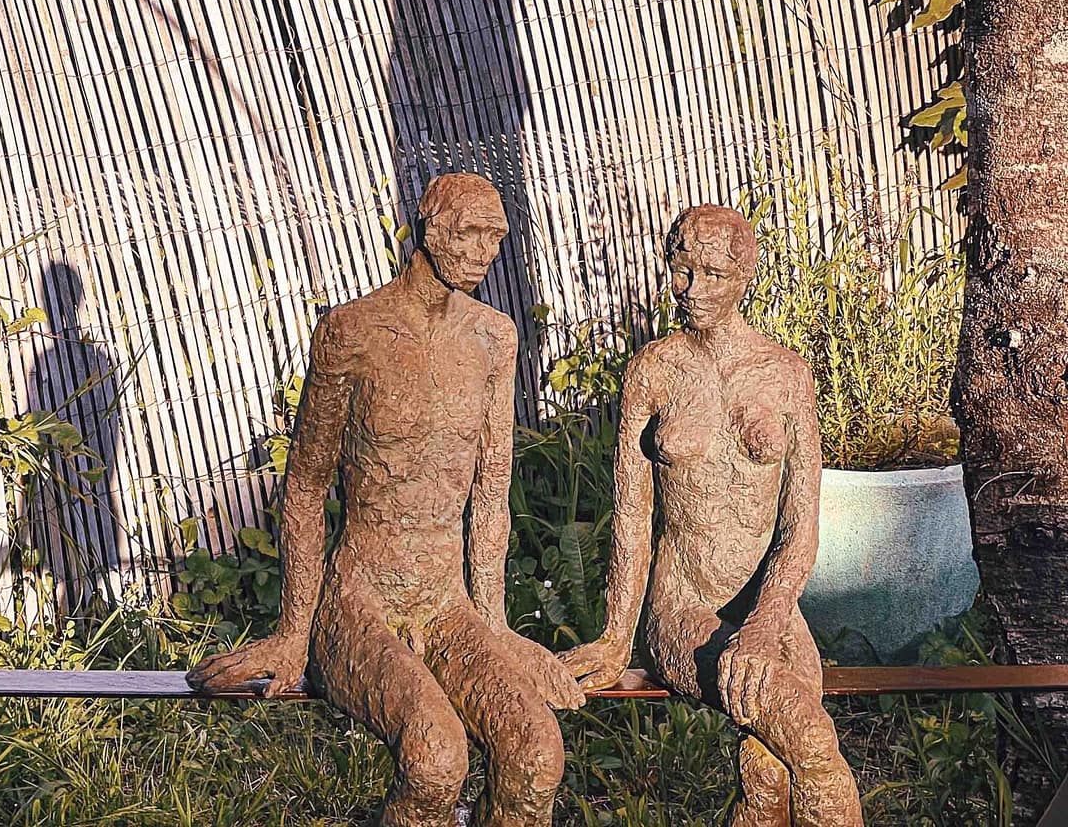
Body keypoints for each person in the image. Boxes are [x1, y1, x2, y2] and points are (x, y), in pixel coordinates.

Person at [189, 172, 581, 827]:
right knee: (436, 758)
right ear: (429, 225)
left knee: (536, 755)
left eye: (495, 238)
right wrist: (293, 633)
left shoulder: (493, 338)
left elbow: (491, 492)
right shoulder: (353, 331)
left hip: (446, 602)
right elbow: (305, 487)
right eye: (470, 233)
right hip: (361, 599)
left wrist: (496, 626)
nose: (484, 252)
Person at [559, 205, 862, 826]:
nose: (693, 290)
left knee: (768, 768)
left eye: (714, 275)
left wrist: (766, 621)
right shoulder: (654, 371)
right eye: (682, 270)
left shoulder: (785, 375)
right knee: (812, 747)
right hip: (681, 602)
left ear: (744, 276)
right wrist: (617, 634)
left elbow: (800, 526)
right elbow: (632, 516)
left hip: (768, 606)